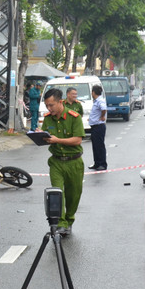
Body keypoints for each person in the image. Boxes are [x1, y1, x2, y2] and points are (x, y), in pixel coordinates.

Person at [41, 88, 84, 236]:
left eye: (51, 105)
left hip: (74, 162)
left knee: (73, 195)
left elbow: (77, 140)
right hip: (56, 162)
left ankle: (69, 220)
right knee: (56, 193)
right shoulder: (48, 118)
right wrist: (40, 137)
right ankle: (61, 223)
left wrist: (57, 140)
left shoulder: (74, 117)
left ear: (60, 102)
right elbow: (46, 136)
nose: (49, 108)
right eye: (47, 105)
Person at [87, 84, 107, 170]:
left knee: (100, 146)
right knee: (95, 146)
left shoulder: (100, 100)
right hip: (95, 127)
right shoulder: (96, 101)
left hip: (99, 126)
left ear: (93, 92)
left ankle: (102, 164)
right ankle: (97, 163)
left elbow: (104, 109)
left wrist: (102, 116)